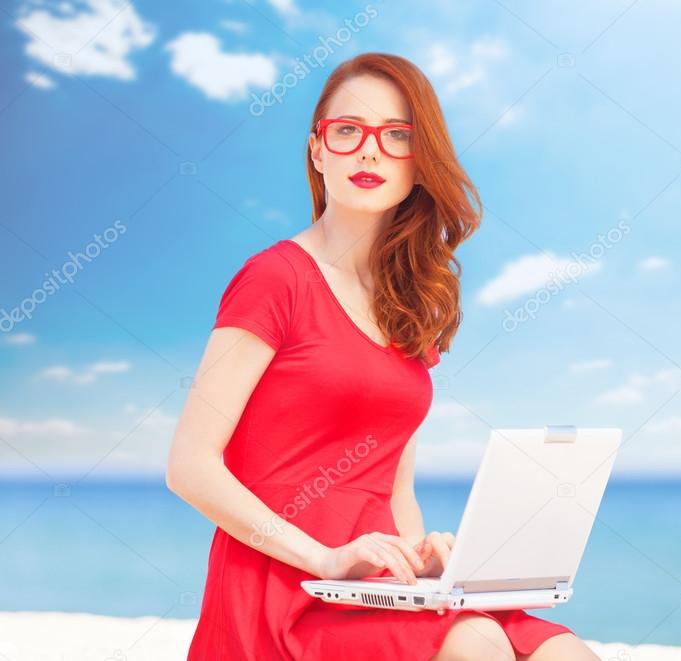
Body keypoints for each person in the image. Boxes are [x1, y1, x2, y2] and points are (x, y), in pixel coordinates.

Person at [165, 52, 599, 660]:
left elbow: (395, 492)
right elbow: (189, 465)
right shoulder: (275, 278)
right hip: (285, 587)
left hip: (378, 588)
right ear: (318, 152)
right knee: (476, 643)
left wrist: (422, 562)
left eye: (397, 136)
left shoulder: (410, 304)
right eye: (348, 132)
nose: (370, 152)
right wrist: (324, 556)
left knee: (563, 651)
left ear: (420, 165)